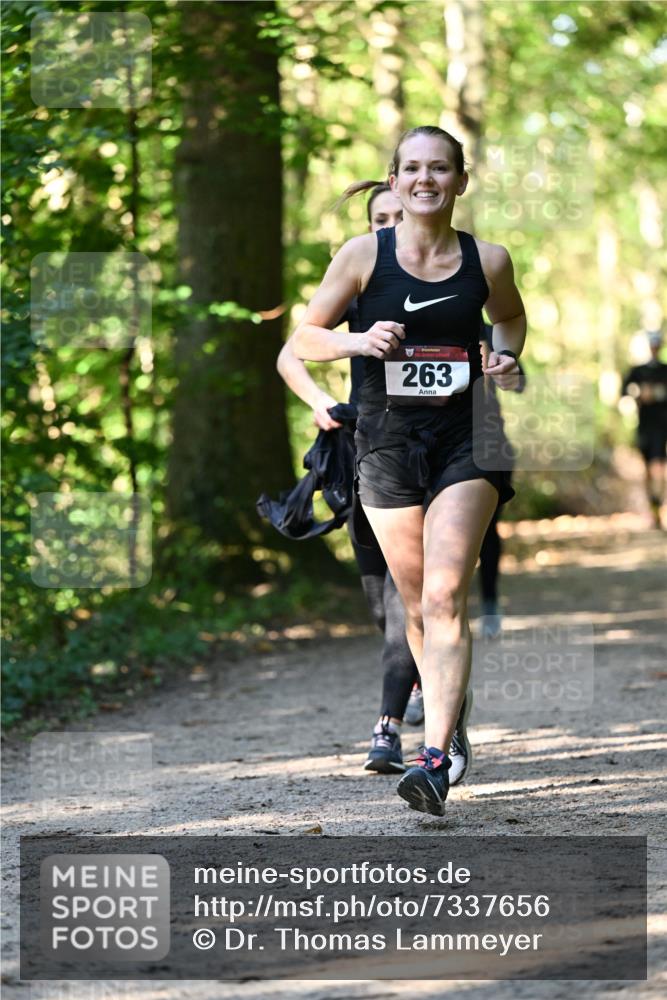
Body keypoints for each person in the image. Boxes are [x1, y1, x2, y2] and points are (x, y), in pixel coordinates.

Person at [293, 125, 526, 816]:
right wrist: (357, 339)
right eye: (413, 168)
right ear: (393, 179)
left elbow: (510, 319)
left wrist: (505, 358)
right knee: (419, 595)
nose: (426, 179)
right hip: (386, 443)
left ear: (459, 179)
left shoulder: (487, 259)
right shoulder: (364, 254)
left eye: (440, 168)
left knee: (445, 593)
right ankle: (450, 705)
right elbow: (304, 337)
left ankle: (433, 756)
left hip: (465, 442)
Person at [278, 185, 474, 785]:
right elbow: (294, 351)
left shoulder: (455, 275)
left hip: (445, 449)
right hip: (370, 450)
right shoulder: (360, 269)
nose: (397, 225)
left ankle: (401, 731)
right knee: (389, 601)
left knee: (426, 598)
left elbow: (486, 339)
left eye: (399, 216)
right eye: (382, 220)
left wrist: (499, 362)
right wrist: (320, 402)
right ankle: (443, 708)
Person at [622, 331, 667, 528]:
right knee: (648, 469)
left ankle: (658, 508)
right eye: (653, 344)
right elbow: (623, 390)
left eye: (658, 345)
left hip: (662, 426)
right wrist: (639, 393)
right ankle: (653, 508)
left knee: (658, 466)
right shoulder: (638, 370)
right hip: (644, 426)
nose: (655, 348)